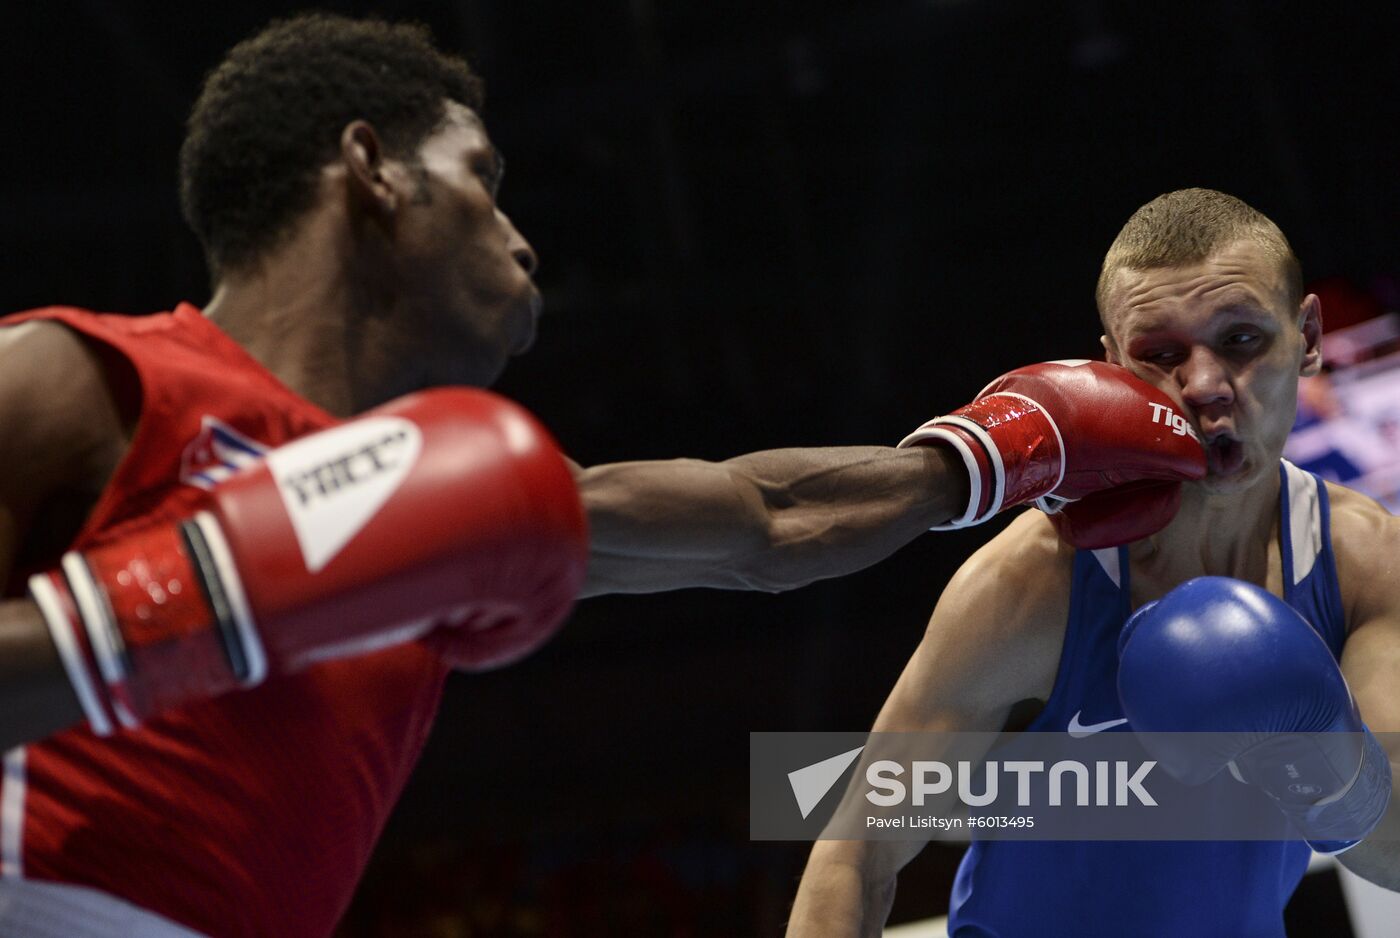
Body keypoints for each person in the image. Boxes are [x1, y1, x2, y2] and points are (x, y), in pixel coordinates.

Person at [0, 15, 1203, 938]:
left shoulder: (461, 504)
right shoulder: (81, 378)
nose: (520, 238)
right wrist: (199, 594)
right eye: (479, 177)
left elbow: (765, 521)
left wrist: (992, 454)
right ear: (371, 166)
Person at [785, 187, 1400, 937]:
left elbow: (1394, 854)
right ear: (1113, 367)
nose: (1205, 386)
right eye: (1161, 355)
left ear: (1307, 337)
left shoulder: (1366, 563)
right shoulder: (1037, 579)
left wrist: (1322, 750)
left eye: (1241, 339)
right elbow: (855, 851)